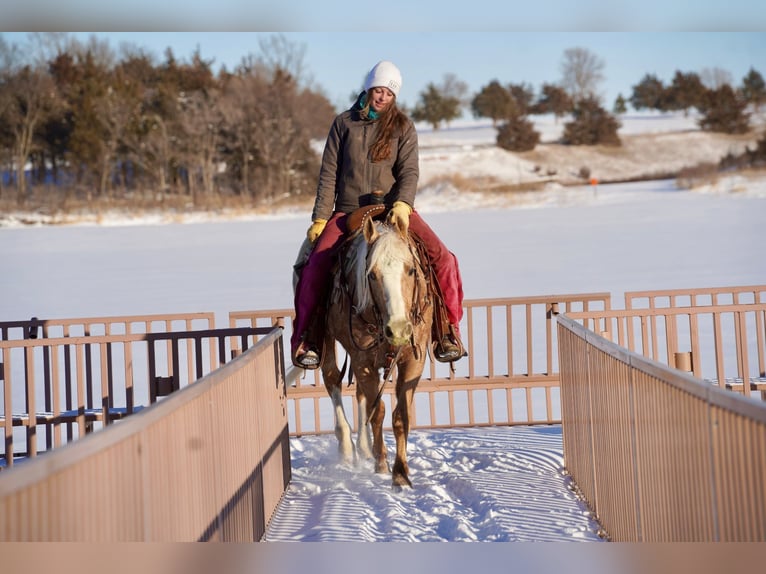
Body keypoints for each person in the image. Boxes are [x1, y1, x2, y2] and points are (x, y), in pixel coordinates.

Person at [292, 60, 465, 369]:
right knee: (316, 264)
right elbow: (328, 173)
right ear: (368, 88)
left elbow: (409, 172)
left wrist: (403, 204)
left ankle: (447, 331)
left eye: (388, 92)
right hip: (347, 212)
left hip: (393, 209)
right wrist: (320, 219)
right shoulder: (344, 123)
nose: (382, 96)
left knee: (444, 258)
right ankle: (309, 339)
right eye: (378, 89)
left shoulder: (402, 126)